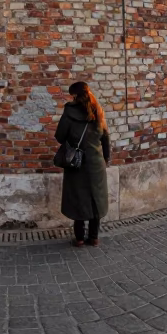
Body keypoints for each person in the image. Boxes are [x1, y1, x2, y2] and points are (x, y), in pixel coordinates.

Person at [55, 81, 111, 247]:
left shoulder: (69, 112)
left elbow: (59, 137)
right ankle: (93, 238)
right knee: (96, 201)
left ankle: (79, 239)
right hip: (96, 164)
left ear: (75, 95)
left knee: (78, 200)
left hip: (76, 163)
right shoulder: (98, 111)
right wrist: (105, 158)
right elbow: (106, 137)